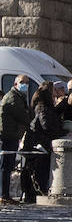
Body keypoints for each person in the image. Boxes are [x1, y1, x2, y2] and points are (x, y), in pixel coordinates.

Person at [19, 81, 65, 203]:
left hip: (37, 142)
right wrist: (61, 132)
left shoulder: (42, 106)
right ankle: (33, 195)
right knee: (39, 171)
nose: (55, 95)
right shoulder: (43, 108)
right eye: (53, 92)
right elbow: (46, 126)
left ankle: (33, 194)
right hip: (39, 144)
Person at [1, 75, 31, 203]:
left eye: (27, 83)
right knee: (6, 166)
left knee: (8, 166)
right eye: (22, 82)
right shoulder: (13, 97)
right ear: (15, 84)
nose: (25, 85)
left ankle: (5, 194)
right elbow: (22, 116)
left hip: (12, 134)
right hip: (8, 135)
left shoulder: (19, 97)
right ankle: (3, 195)